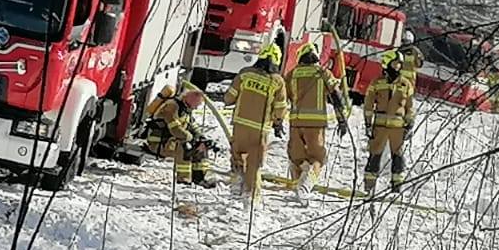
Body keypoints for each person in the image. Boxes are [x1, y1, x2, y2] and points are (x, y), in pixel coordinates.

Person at [223, 43, 288, 202]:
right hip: (259, 130)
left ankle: (237, 182)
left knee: (237, 155)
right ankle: (250, 194)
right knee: (254, 162)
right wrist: (278, 122)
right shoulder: (277, 82)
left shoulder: (245, 74)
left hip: (239, 125)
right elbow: (280, 108)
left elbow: (229, 98)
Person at [284, 40, 349, 191]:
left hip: (296, 124)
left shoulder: (292, 74)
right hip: (315, 125)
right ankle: (305, 186)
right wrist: (341, 119)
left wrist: (276, 120)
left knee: (296, 157)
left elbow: (282, 97)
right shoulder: (322, 73)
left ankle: (297, 184)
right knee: (317, 159)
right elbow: (336, 95)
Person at [363, 50, 416, 194]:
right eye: (395, 63)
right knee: (374, 156)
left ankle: (396, 187)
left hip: (398, 129)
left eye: (399, 64)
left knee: (398, 157)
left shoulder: (406, 85)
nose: (397, 67)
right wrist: (368, 123)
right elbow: (368, 104)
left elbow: (410, 107)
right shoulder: (377, 82)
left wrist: (410, 125)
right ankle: (369, 187)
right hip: (379, 127)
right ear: (387, 63)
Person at [145, 84, 212, 186]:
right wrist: (192, 139)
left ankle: (199, 177)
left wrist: (201, 138)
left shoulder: (186, 108)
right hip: (158, 143)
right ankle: (183, 179)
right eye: (197, 103)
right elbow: (175, 130)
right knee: (185, 146)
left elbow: (192, 126)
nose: (197, 106)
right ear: (189, 97)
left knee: (201, 147)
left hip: (170, 142)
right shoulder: (171, 107)